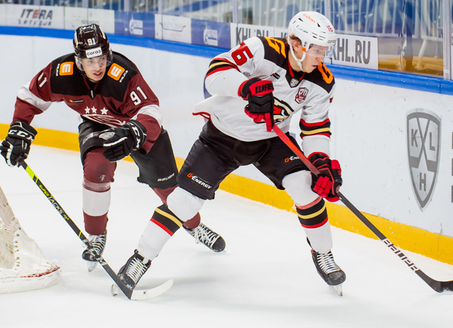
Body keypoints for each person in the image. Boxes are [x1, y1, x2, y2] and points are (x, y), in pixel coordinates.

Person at [116, 11, 345, 291]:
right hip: (221, 138)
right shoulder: (262, 50)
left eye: (325, 50)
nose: (322, 56)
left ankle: (323, 254)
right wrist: (246, 87)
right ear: (297, 44)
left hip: (271, 141)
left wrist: (321, 162)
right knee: (184, 202)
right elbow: (215, 73)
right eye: (318, 50)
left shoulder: (322, 81)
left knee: (307, 187)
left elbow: (316, 128)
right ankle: (140, 258)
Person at [0, 24, 225, 272]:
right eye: (90, 60)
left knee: (170, 192)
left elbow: (150, 108)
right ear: (78, 60)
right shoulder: (60, 73)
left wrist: (136, 131)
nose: (98, 66)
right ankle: (96, 236)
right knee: (96, 169)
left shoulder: (123, 73)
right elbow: (31, 95)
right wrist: (18, 127)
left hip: (137, 130)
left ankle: (194, 226)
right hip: (99, 127)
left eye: (102, 58)